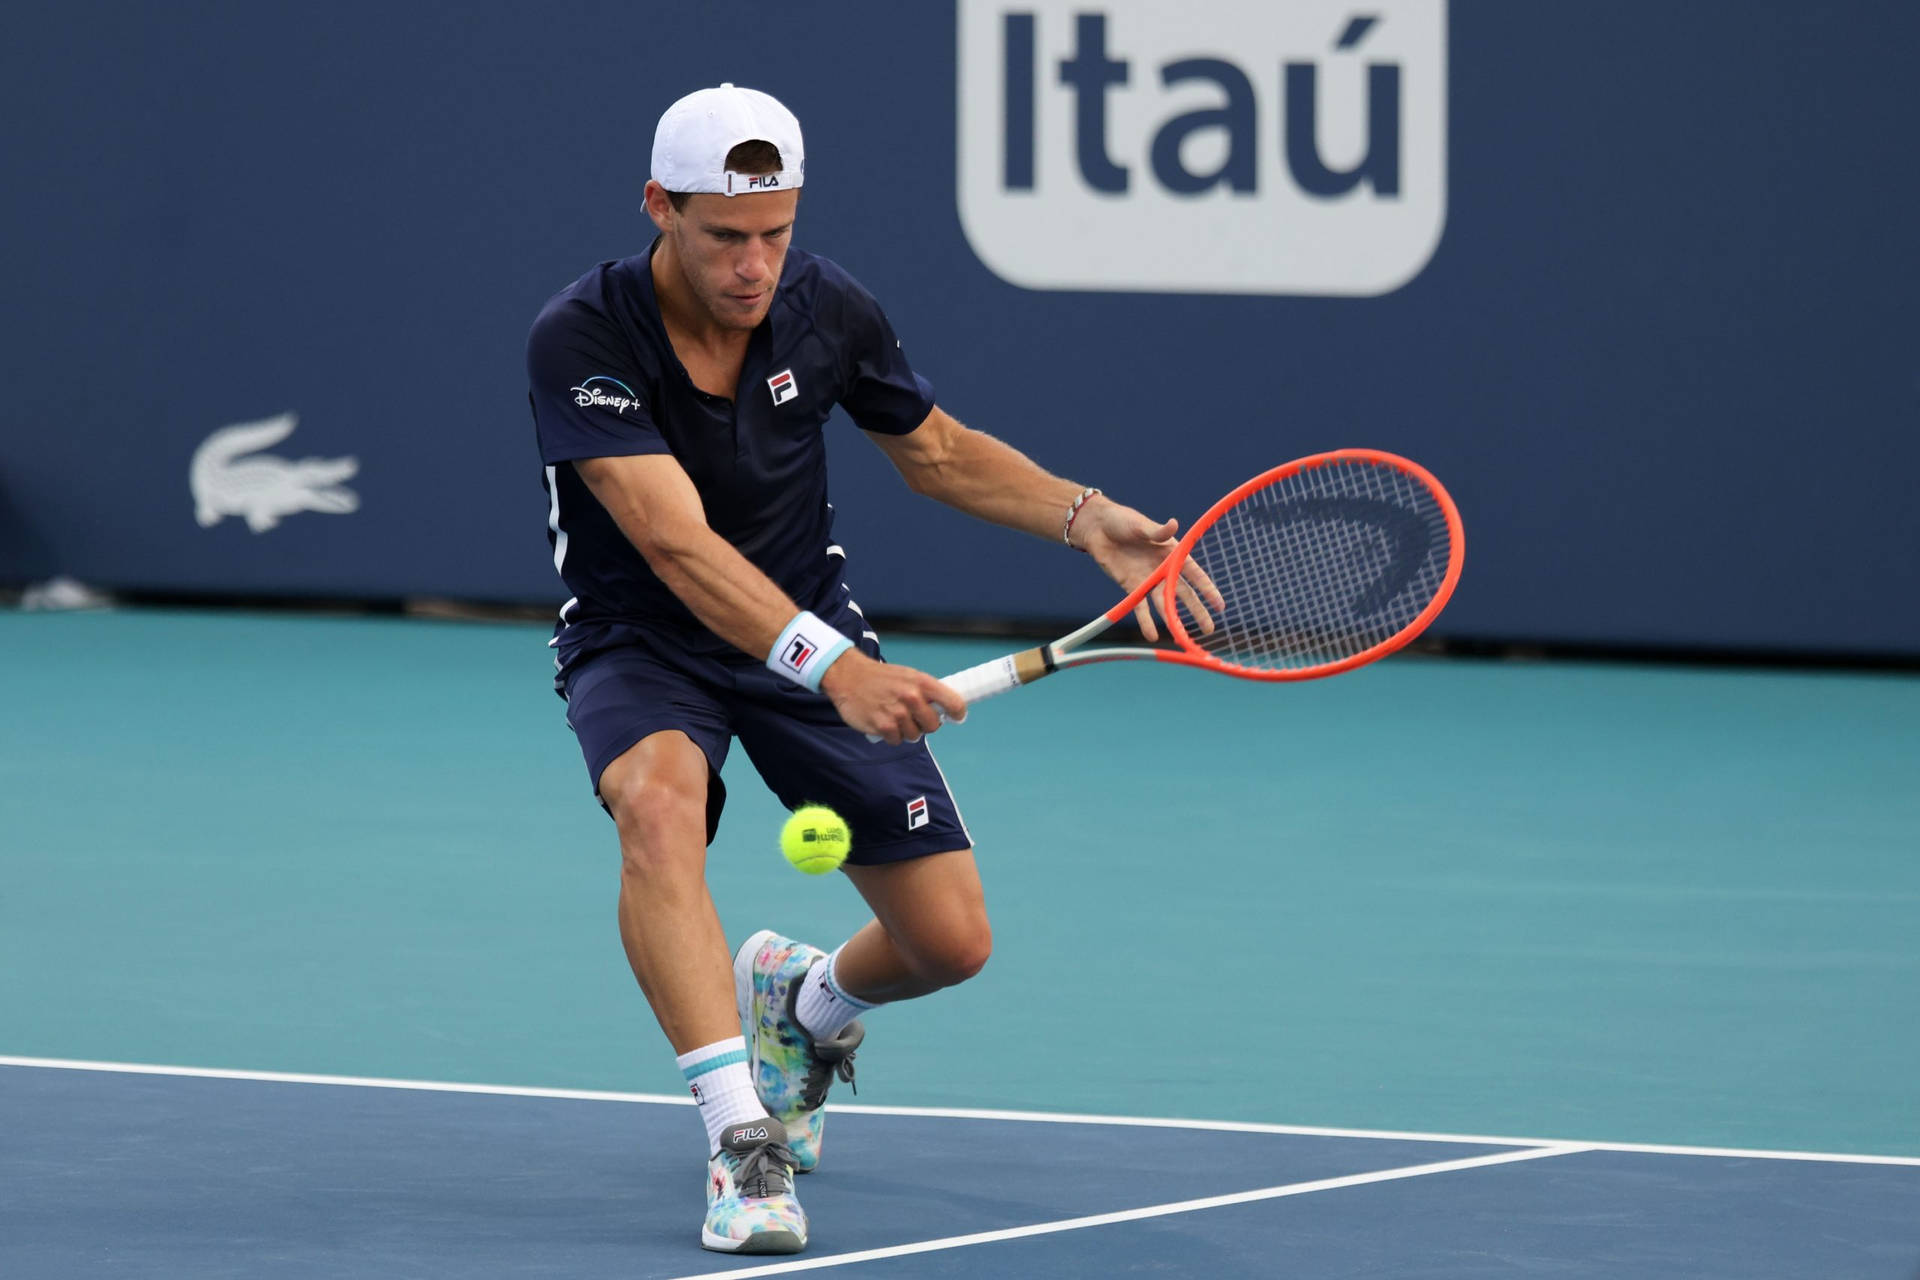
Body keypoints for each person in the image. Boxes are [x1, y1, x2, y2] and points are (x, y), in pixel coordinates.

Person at [525, 83, 1182, 1256]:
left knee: (949, 942)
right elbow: (674, 544)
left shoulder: (829, 308)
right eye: (726, 235)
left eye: (775, 231)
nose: (754, 263)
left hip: (806, 633)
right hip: (646, 639)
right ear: (658, 208)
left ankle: (805, 1002)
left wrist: (1083, 518)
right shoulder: (582, 335)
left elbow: (933, 451)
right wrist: (833, 668)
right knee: (657, 806)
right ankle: (741, 1137)